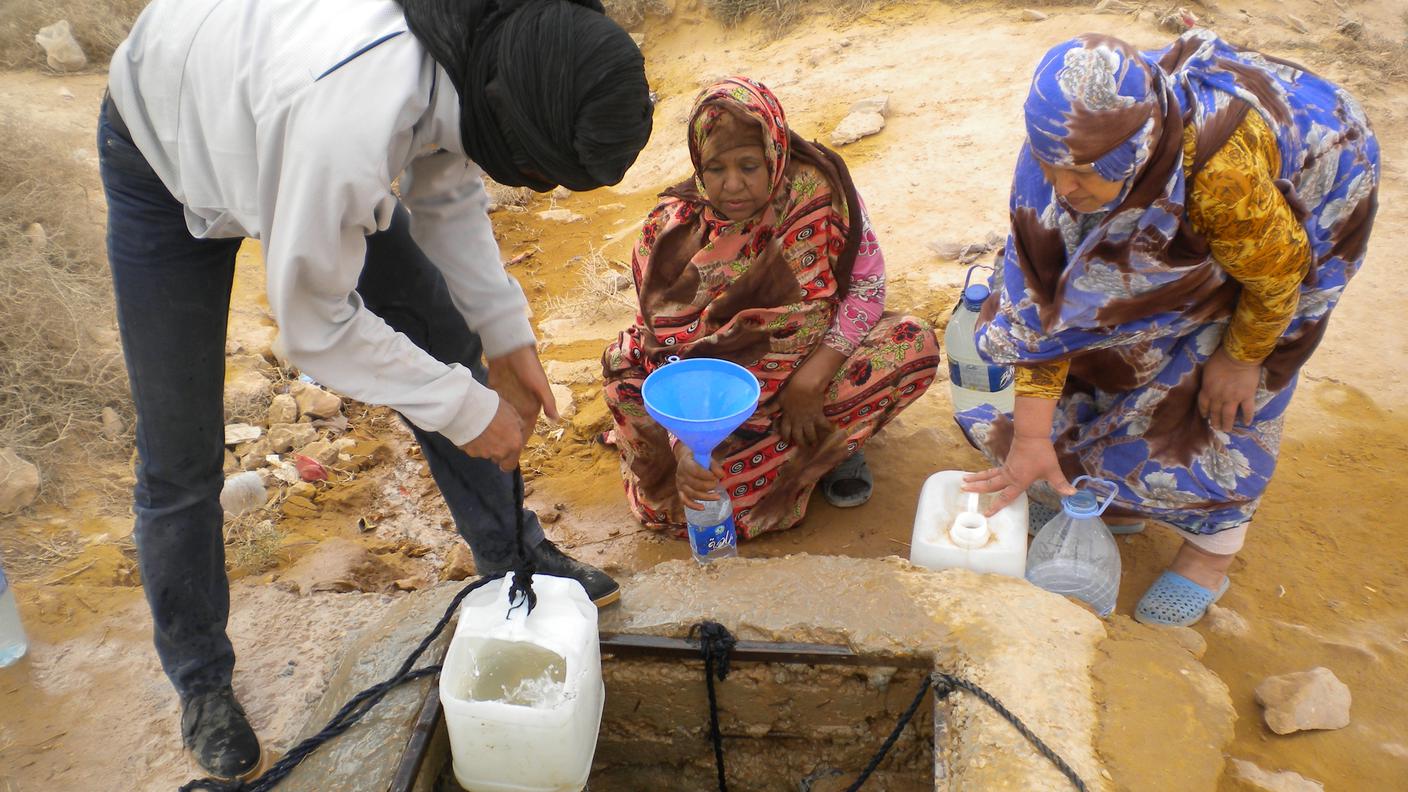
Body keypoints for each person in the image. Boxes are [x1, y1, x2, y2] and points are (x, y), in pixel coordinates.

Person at [100, 0, 651, 780]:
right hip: (165, 148)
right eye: (535, 170)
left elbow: (448, 191)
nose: (528, 180)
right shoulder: (348, 119)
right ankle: (201, 682)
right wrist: (463, 410)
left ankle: (513, 556)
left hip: (271, 117)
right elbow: (314, 324)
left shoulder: (478, 47)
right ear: (508, 111)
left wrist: (505, 338)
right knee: (180, 452)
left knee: (445, 336)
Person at [959, 31, 1379, 626]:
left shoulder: (1222, 182)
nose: (1062, 185)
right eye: (1050, 165)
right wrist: (1031, 438)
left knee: (1218, 389)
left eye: (1081, 171)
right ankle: (1115, 499)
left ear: (1133, 154)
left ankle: (1210, 555)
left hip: (1315, 184)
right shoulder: (1059, 154)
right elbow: (1046, 312)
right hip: (1191, 200)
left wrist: (1243, 356)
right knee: (1111, 344)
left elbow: (1279, 278)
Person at [603, 77, 940, 541]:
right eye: (716, 168)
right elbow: (664, 349)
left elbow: (867, 286)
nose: (734, 185)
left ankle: (832, 448)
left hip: (805, 384)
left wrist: (813, 375)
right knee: (623, 370)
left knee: (911, 344)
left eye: (749, 165)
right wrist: (686, 444)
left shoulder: (818, 195)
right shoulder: (669, 235)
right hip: (710, 402)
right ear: (698, 163)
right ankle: (798, 455)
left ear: (774, 154)